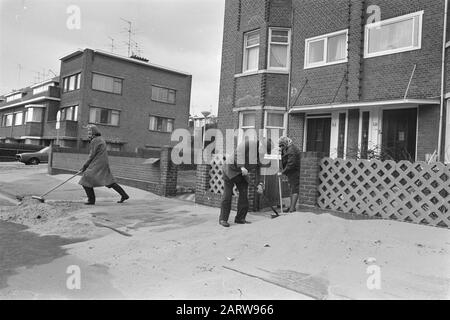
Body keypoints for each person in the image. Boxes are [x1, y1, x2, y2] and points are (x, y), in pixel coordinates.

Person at [219, 138, 269, 227]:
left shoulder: (261, 155)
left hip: (241, 173)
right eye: (263, 149)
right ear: (260, 144)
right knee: (228, 194)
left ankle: (240, 218)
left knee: (244, 193)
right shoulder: (249, 143)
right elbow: (239, 153)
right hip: (230, 168)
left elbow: (260, 170)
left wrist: (260, 184)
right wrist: (242, 167)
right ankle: (223, 219)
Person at [79, 125, 129, 205]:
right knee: (108, 181)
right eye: (88, 132)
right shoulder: (100, 139)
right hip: (103, 163)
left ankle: (91, 200)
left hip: (98, 164)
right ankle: (124, 195)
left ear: (94, 132)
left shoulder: (95, 140)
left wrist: (85, 166)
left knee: (85, 180)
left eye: (90, 132)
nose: (88, 133)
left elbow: (92, 155)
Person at [278, 136, 300, 213]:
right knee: (291, 188)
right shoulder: (287, 149)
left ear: (286, 143)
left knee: (294, 189)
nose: (281, 147)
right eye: (280, 146)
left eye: (282, 145)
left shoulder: (291, 150)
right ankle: (291, 207)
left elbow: (291, 163)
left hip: (295, 172)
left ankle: (292, 209)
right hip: (291, 172)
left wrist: (283, 172)